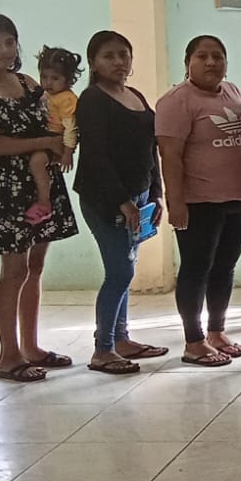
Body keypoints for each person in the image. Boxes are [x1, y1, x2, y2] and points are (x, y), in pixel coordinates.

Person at [0, 13, 78, 383]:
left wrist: (61, 144)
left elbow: (54, 123)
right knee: (13, 271)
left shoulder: (28, 82)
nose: (4, 50)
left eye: (9, 42)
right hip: (5, 186)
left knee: (34, 267)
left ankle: (31, 346)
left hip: (39, 181)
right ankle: (8, 355)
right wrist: (46, 143)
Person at [73, 29, 168, 376]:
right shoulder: (92, 100)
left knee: (127, 267)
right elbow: (96, 157)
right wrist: (122, 202)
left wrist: (156, 193)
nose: (118, 62)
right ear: (94, 63)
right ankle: (103, 349)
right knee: (120, 271)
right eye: (108, 56)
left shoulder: (135, 95)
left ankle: (122, 338)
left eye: (123, 55)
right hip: (105, 199)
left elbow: (150, 150)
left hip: (139, 196)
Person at [155, 34, 241, 367]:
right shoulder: (176, 101)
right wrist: (176, 202)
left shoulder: (233, 91)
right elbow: (170, 155)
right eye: (202, 56)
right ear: (188, 63)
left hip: (238, 198)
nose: (211, 62)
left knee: (225, 268)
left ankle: (216, 332)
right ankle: (193, 341)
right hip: (199, 202)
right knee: (196, 269)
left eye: (217, 56)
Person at [30, 45, 81, 224]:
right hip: (45, 135)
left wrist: (67, 152)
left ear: (68, 80)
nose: (48, 82)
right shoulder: (47, 94)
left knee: (37, 162)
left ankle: (44, 202)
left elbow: (71, 128)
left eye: (55, 78)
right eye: (44, 77)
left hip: (56, 138)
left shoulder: (67, 99)